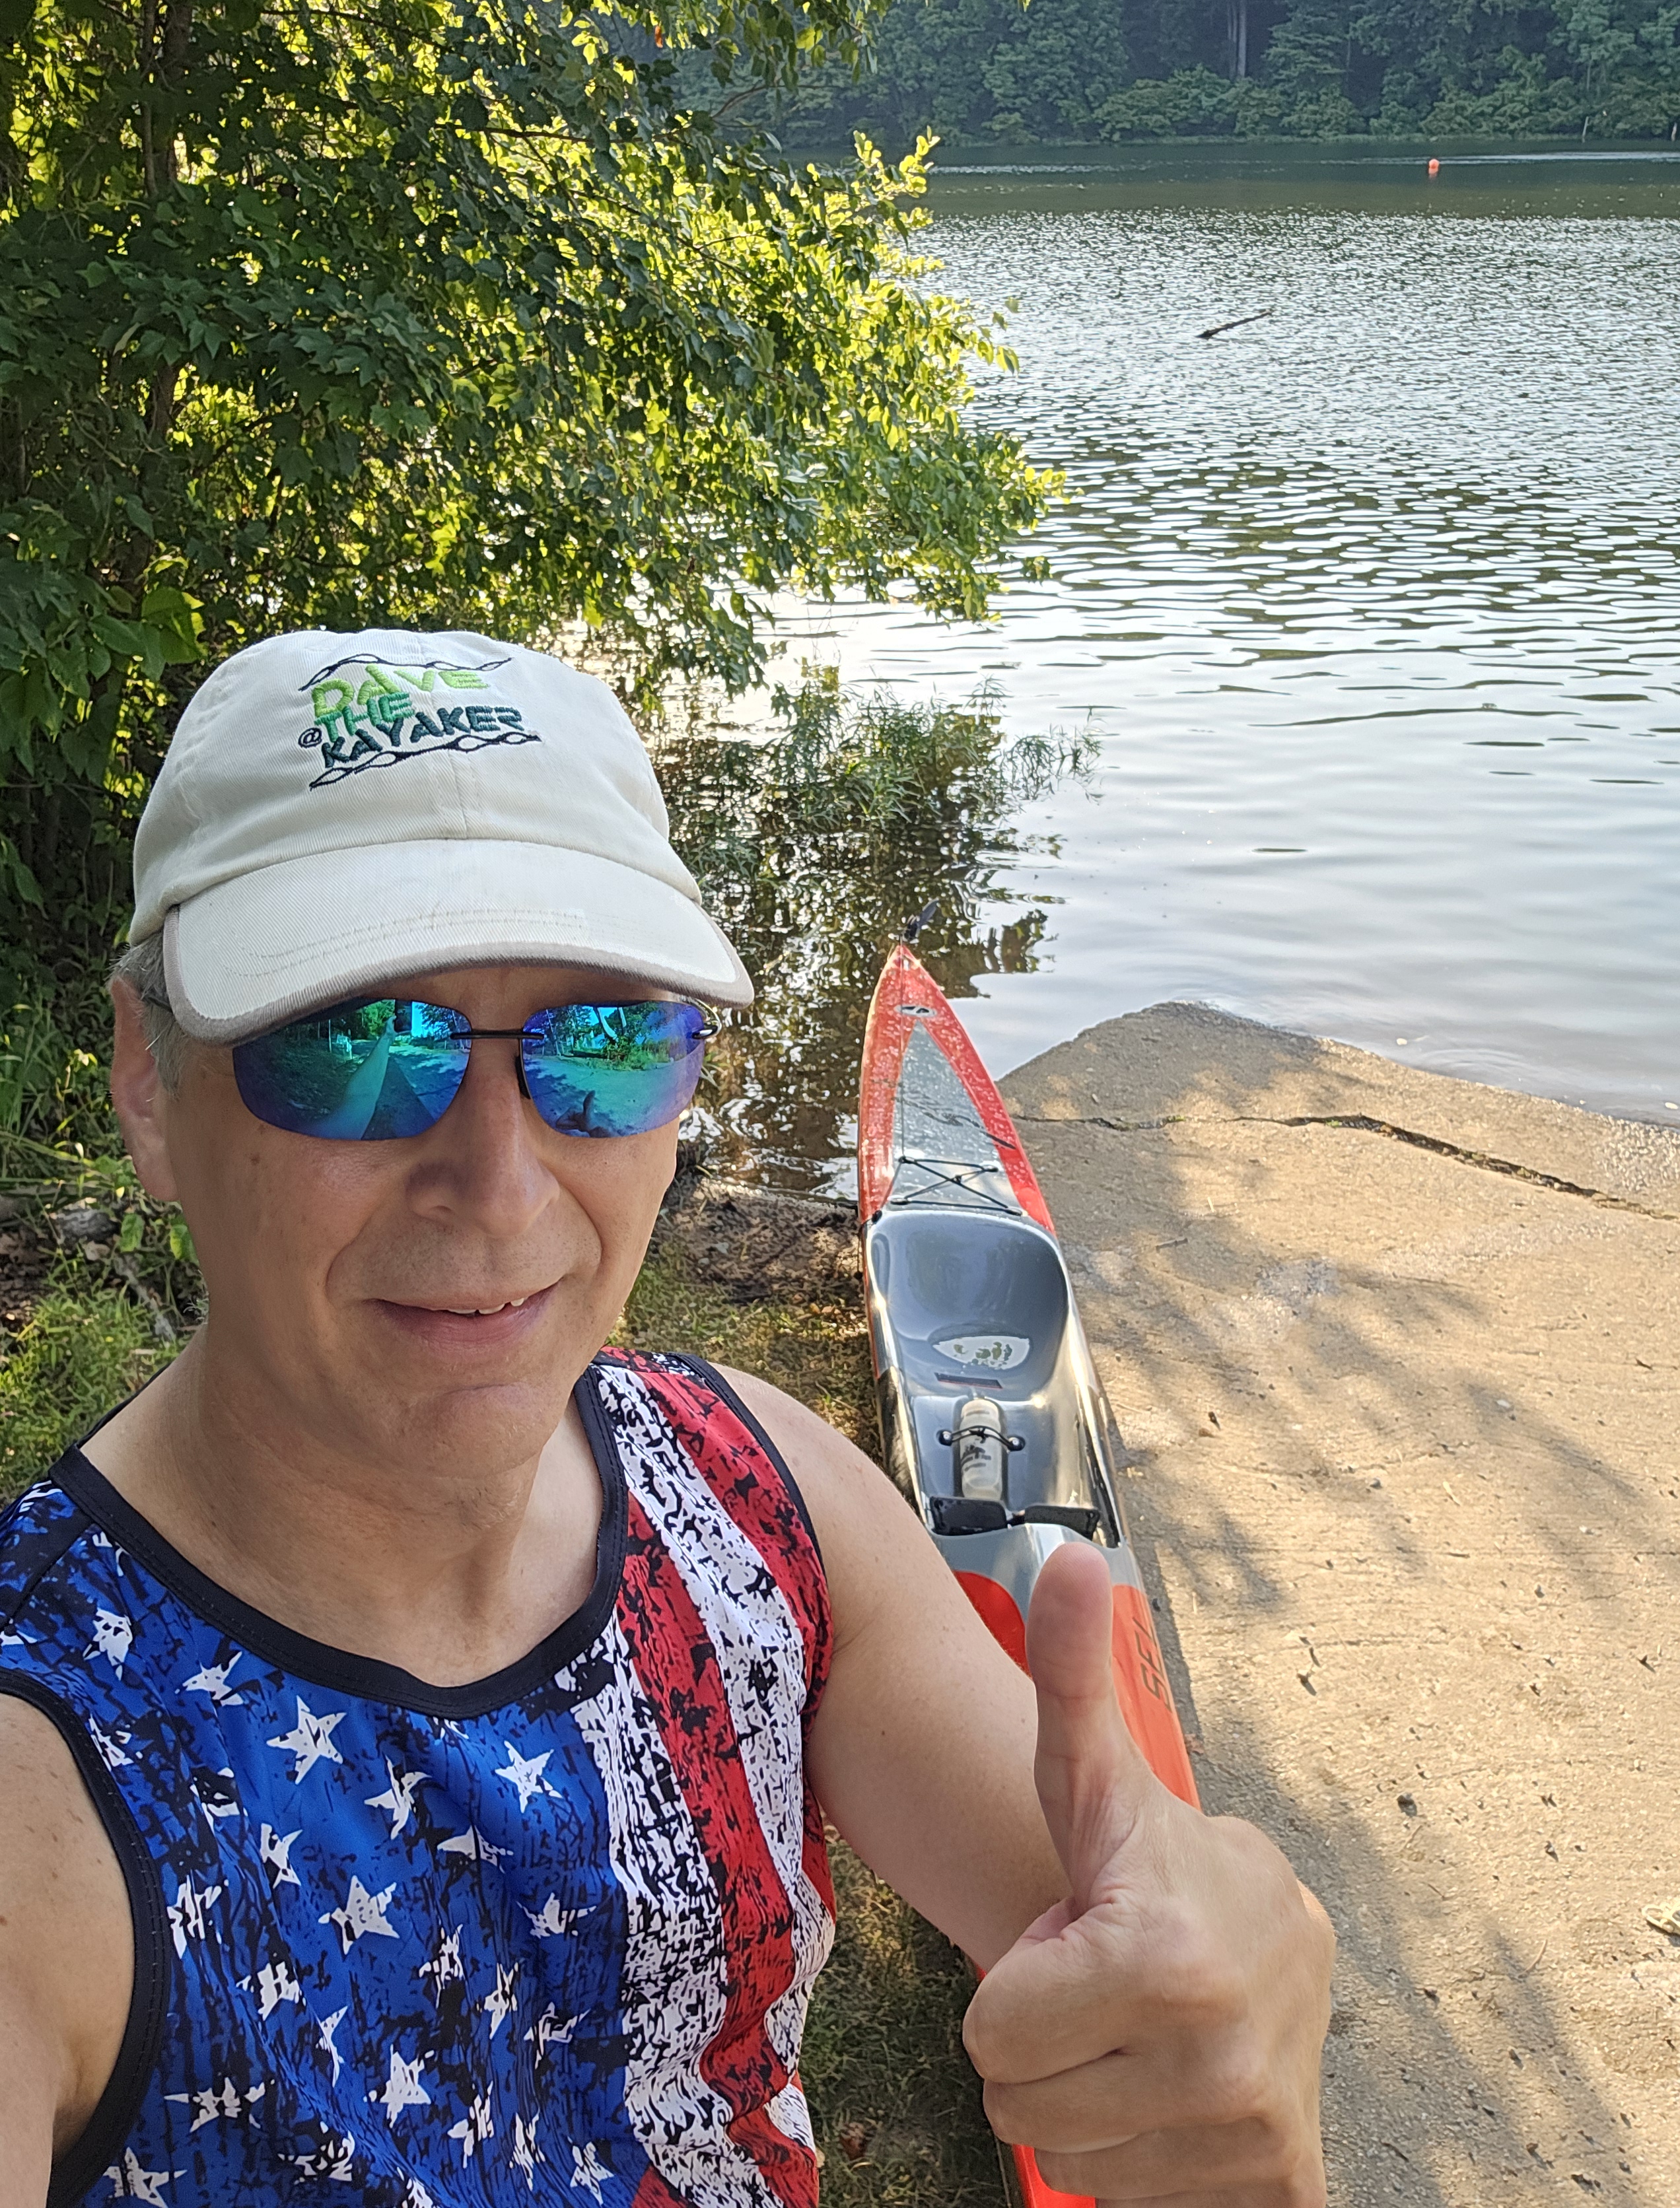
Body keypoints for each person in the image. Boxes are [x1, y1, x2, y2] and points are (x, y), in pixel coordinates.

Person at [0, 632, 1333, 2208]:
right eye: (357, 1043)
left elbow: (1137, 1953)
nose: (502, 1188)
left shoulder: (750, 1495)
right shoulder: (48, 1775)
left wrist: (1227, 2063)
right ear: (147, 1078)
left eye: (604, 1043)